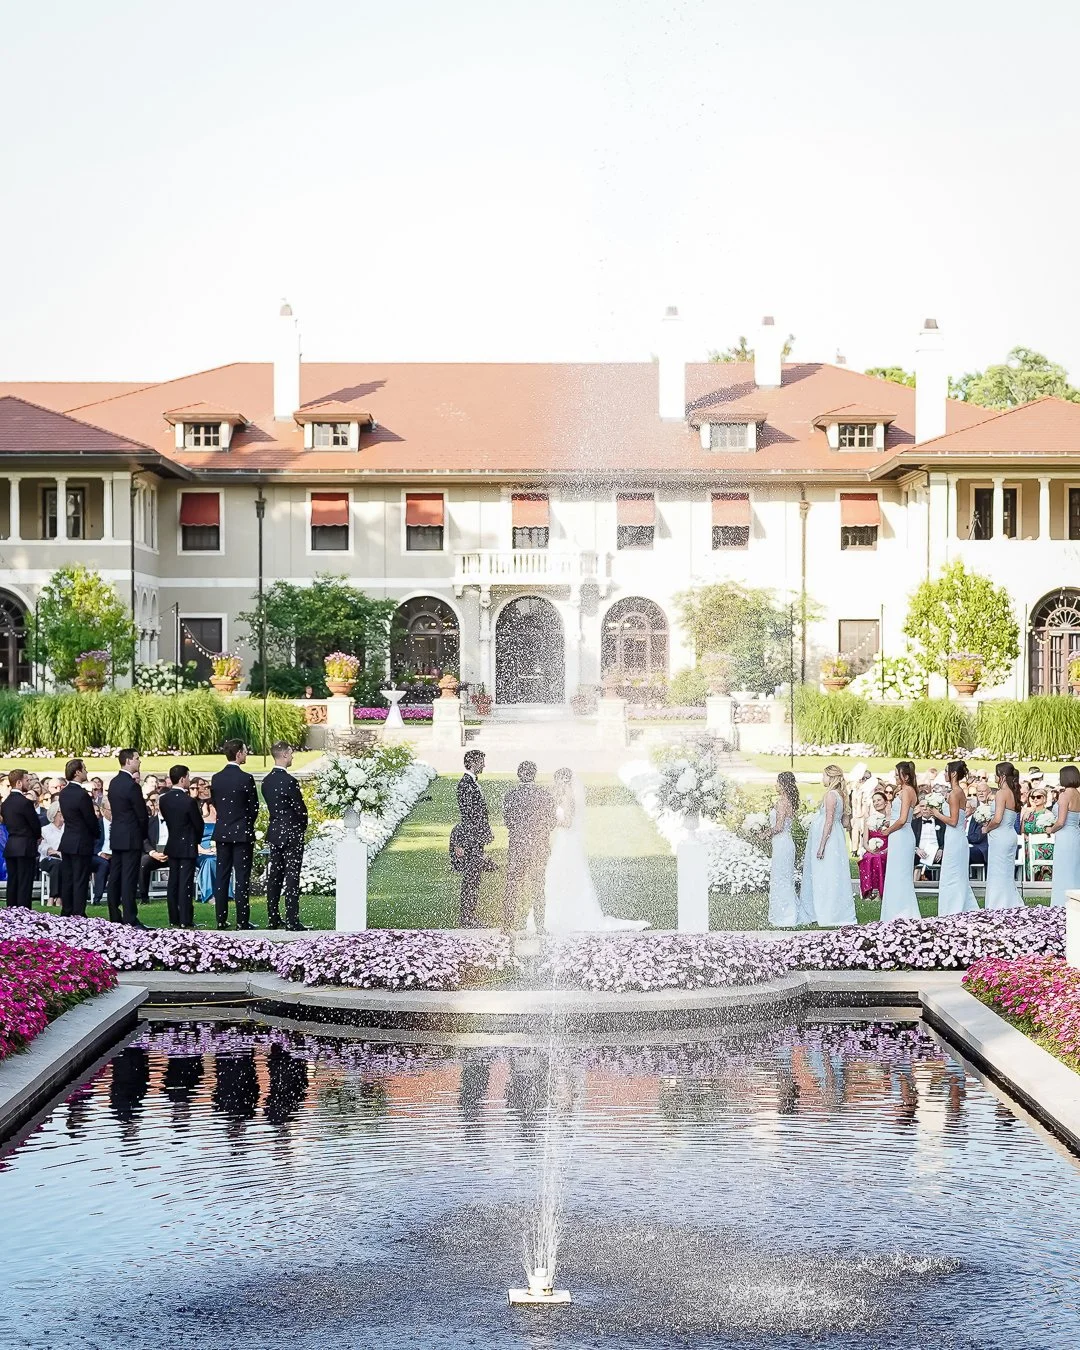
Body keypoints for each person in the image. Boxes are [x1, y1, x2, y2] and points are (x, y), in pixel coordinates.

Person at [542, 767, 649, 932]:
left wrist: (551, 821)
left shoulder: (566, 797)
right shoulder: (569, 795)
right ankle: (568, 913)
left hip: (566, 841)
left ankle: (562, 916)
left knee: (563, 874)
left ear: (560, 780)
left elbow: (568, 822)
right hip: (568, 841)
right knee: (568, 875)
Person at [501, 761, 556, 932]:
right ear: (534, 774)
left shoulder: (511, 795)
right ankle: (540, 926)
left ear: (519, 774)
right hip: (538, 848)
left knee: (512, 886)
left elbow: (508, 821)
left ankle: (508, 924)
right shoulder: (544, 794)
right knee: (538, 887)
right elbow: (551, 822)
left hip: (518, 847)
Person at [210, 740, 259, 930]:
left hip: (223, 832)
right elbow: (253, 806)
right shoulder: (246, 778)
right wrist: (246, 823)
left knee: (222, 876)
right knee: (242, 877)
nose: (246, 754)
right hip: (241, 834)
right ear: (238, 753)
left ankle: (221, 919)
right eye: (245, 751)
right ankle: (242, 920)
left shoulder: (217, 778)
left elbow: (216, 802)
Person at [261, 741, 309, 931]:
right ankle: (291, 919)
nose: (292, 757)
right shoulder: (289, 781)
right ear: (283, 755)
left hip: (275, 832)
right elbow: (300, 809)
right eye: (290, 753)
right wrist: (302, 825)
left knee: (275, 877)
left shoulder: (266, 781)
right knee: (291, 877)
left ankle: (273, 917)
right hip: (291, 833)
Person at [921, 759, 978, 916]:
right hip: (956, 837)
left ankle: (953, 909)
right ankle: (958, 907)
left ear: (953, 773)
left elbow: (953, 821)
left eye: (946, 771)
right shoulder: (958, 792)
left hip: (954, 838)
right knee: (955, 874)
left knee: (952, 874)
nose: (944, 774)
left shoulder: (955, 793)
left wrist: (936, 813)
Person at [801, 765, 855, 926]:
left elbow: (829, 821)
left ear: (830, 777)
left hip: (829, 839)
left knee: (824, 874)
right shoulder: (842, 795)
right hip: (837, 838)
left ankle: (825, 911)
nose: (822, 779)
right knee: (834, 873)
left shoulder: (831, 795)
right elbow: (845, 823)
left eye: (823, 776)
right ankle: (831, 910)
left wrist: (822, 845)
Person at [107, 749, 149, 927]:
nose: (140, 762)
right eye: (137, 759)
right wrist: (144, 835)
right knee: (129, 878)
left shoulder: (114, 783)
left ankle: (114, 914)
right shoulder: (132, 785)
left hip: (117, 835)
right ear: (128, 761)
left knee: (115, 876)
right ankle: (130, 917)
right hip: (131, 836)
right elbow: (141, 814)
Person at [159, 765, 203, 928]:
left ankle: (173, 918)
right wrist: (196, 840)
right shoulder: (188, 801)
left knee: (173, 882)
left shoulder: (163, 799)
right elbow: (198, 825)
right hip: (187, 845)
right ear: (183, 778)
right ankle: (185, 919)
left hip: (173, 844)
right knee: (185, 883)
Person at [453, 750, 492, 928]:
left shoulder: (471, 783)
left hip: (475, 838)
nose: (484, 765)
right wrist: (465, 843)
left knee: (474, 878)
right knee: (471, 878)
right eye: (481, 761)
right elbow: (468, 816)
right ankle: (467, 917)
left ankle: (469, 916)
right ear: (473, 762)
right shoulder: (466, 784)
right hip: (471, 840)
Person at [877, 761, 920, 921]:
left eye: (897, 774)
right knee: (895, 873)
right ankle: (893, 910)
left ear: (906, 776)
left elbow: (902, 819)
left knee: (900, 874)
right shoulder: (904, 790)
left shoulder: (907, 791)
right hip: (899, 834)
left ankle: (903, 911)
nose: (895, 777)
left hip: (901, 835)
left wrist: (888, 830)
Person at [982, 761, 1024, 910]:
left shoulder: (1001, 793)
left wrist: (987, 828)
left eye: (996, 774)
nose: (994, 776)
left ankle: (997, 904)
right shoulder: (1013, 793)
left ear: (1002, 776)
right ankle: (1009, 903)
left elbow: (998, 819)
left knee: (998, 872)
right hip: (1010, 835)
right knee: (1006, 872)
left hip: (1000, 837)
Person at [59, 758, 97, 917]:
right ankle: (78, 912)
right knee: (80, 878)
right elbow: (90, 819)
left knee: (68, 878)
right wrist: (96, 833)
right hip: (81, 842)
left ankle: (66, 910)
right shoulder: (82, 795)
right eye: (85, 769)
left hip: (67, 841)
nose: (87, 771)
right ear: (77, 772)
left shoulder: (63, 793)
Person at [2, 769, 42, 908]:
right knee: (25, 882)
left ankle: (11, 910)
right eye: (27, 780)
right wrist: (37, 836)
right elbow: (35, 825)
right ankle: (24, 911)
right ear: (19, 783)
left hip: (11, 845)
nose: (29, 783)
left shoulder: (5, 803)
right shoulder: (25, 803)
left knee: (13, 882)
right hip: (25, 846)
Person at [768, 771, 801, 927]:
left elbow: (779, 826)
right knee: (785, 878)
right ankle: (787, 912)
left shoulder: (782, 802)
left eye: (777, 782)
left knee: (780, 878)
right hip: (786, 842)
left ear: (783, 784)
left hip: (781, 842)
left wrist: (765, 832)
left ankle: (784, 915)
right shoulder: (790, 801)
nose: (775, 785)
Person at [1046, 764, 1080, 909]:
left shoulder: (1065, 795)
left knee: (1063, 869)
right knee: (1073, 869)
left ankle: (1061, 903)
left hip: (1065, 835)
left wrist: (1050, 829)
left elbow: (1061, 821)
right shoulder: (1078, 795)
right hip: (1075, 834)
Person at [137, 791, 170, 904]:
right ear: (156, 806)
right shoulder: (149, 822)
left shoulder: (176, 821)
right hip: (154, 855)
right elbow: (144, 839)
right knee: (143, 861)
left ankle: (178, 895)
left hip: (172, 854)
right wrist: (152, 853)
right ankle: (144, 897)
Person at [858, 789, 890, 899]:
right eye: (874, 801)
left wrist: (886, 850)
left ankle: (880, 891)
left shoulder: (891, 820)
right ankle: (869, 892)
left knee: (879, 857)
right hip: (872, 849)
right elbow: (865, 841)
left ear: (886, 802)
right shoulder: (868, 820)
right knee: (868, 857)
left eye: (879, 800)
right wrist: (870, 849)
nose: (876, 803)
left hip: (887, 849)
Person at [39, 805, 64, 905]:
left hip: (63, 859)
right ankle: (56, 896)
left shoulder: (67, 829)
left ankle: (54, 896)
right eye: (60, 811)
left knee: (60, 865)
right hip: (47, 859)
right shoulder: (44, 829)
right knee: (56, 864)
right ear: (54, 814)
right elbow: (41, 846)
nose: (63, 814)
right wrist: (49, 850)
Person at [196, 798, 219, 905]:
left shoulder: (220, 821)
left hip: (217, 850)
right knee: (209, 860)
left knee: (218, 859)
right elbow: (193, 840)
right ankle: (210, 894)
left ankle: (223, 893)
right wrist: (203, 851)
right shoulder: (198, 821)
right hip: (201, 852)